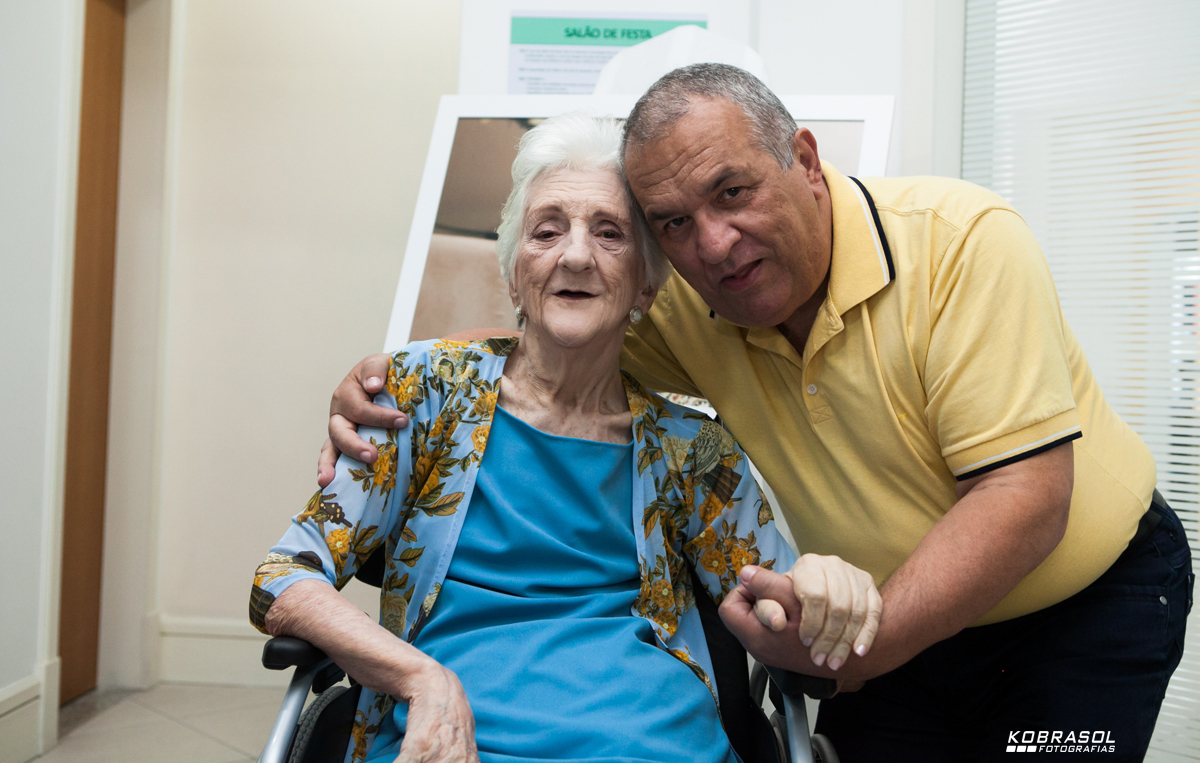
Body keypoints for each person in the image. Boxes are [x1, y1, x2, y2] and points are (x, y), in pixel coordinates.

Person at [323, 66, 1193, 761]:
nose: (713, 242)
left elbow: (1024, 498)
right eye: (673, 222)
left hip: (1080, 608)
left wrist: (858, 649)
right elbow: (549, 335)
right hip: (885, 619)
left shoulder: (963, 241)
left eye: (733, 191)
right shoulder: (686, 300)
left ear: (805, 161)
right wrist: (389, 377)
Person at [252, 113, 882, 763]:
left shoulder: (692, 450)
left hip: (654, 745)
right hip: (449, 739)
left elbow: (781, 614)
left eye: (609, 233)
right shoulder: (425, 395)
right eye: (547, 231)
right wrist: (421, 678)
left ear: (646, 285)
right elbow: (284, 576)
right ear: (513, 271)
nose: (575, 255)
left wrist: (825, 592)